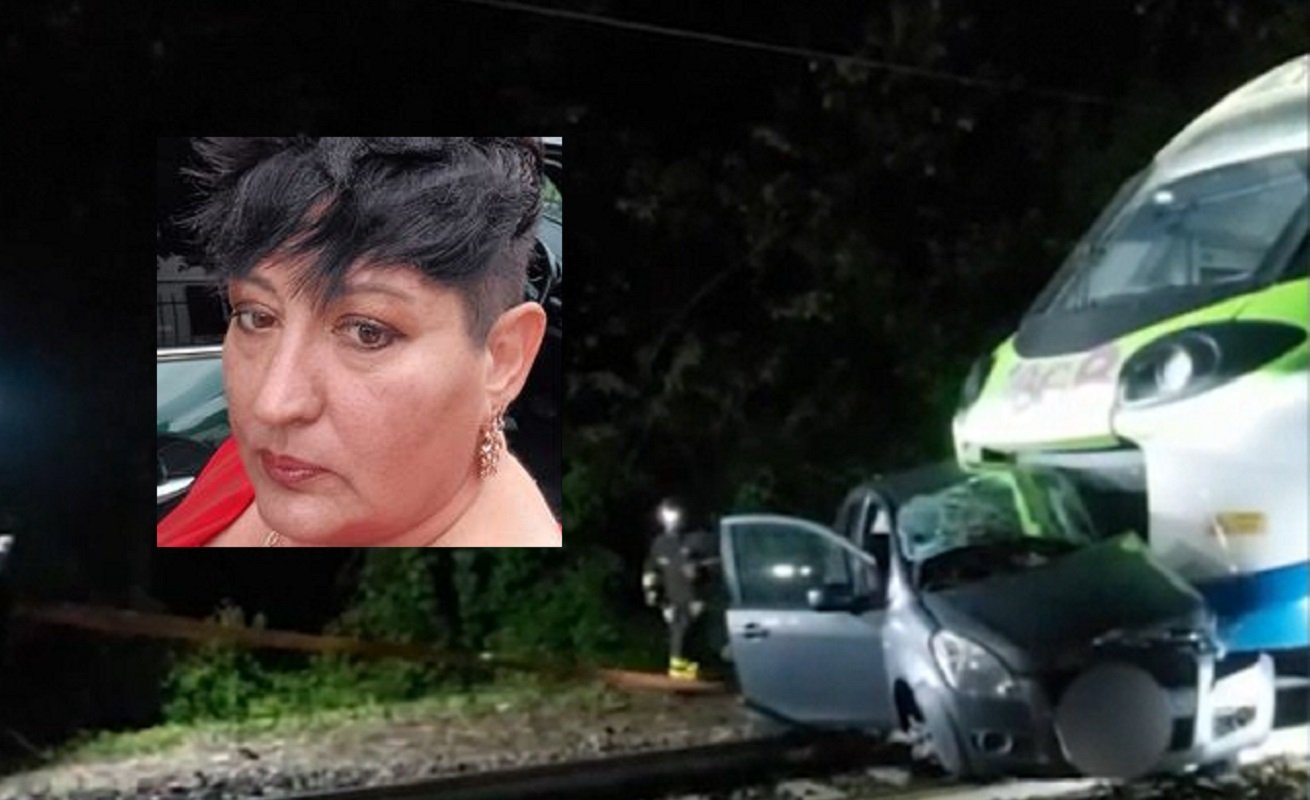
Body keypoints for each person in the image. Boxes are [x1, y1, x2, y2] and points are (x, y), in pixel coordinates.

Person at [157, 138, 560, 547]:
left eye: (368, 332)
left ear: (503, 360)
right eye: (256, 317)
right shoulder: (276, 464)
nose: (272, 405)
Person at [642, 499, 721, 680]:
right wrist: (657, 599)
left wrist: (701, 573)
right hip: (672, 602)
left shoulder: (701, 539)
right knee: (678, 641)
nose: (671, 522)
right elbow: (651, 572)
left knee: (698, 644)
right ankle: (682, 676)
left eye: (674, 517)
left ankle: (709, 676)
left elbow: (720, 565)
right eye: (666, 517)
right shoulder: (660, 543)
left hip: (698, 602)